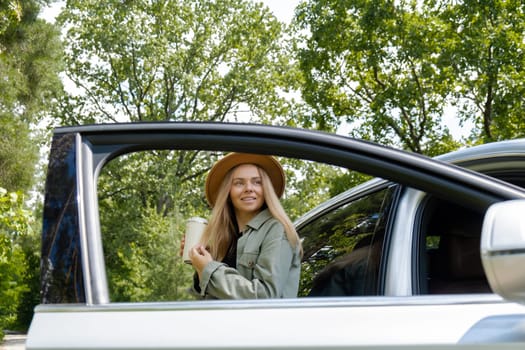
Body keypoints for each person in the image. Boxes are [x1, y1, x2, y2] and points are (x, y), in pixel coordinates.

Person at [187, 152, 302, 299]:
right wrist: (199, 267)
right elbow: (209, 299)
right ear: (228, 191)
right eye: (239, 183)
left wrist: (209, 270)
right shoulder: (224, 236)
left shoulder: (277, 230)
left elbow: (266, 296)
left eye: (257, 182)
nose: (248, 188)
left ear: (265, 189)